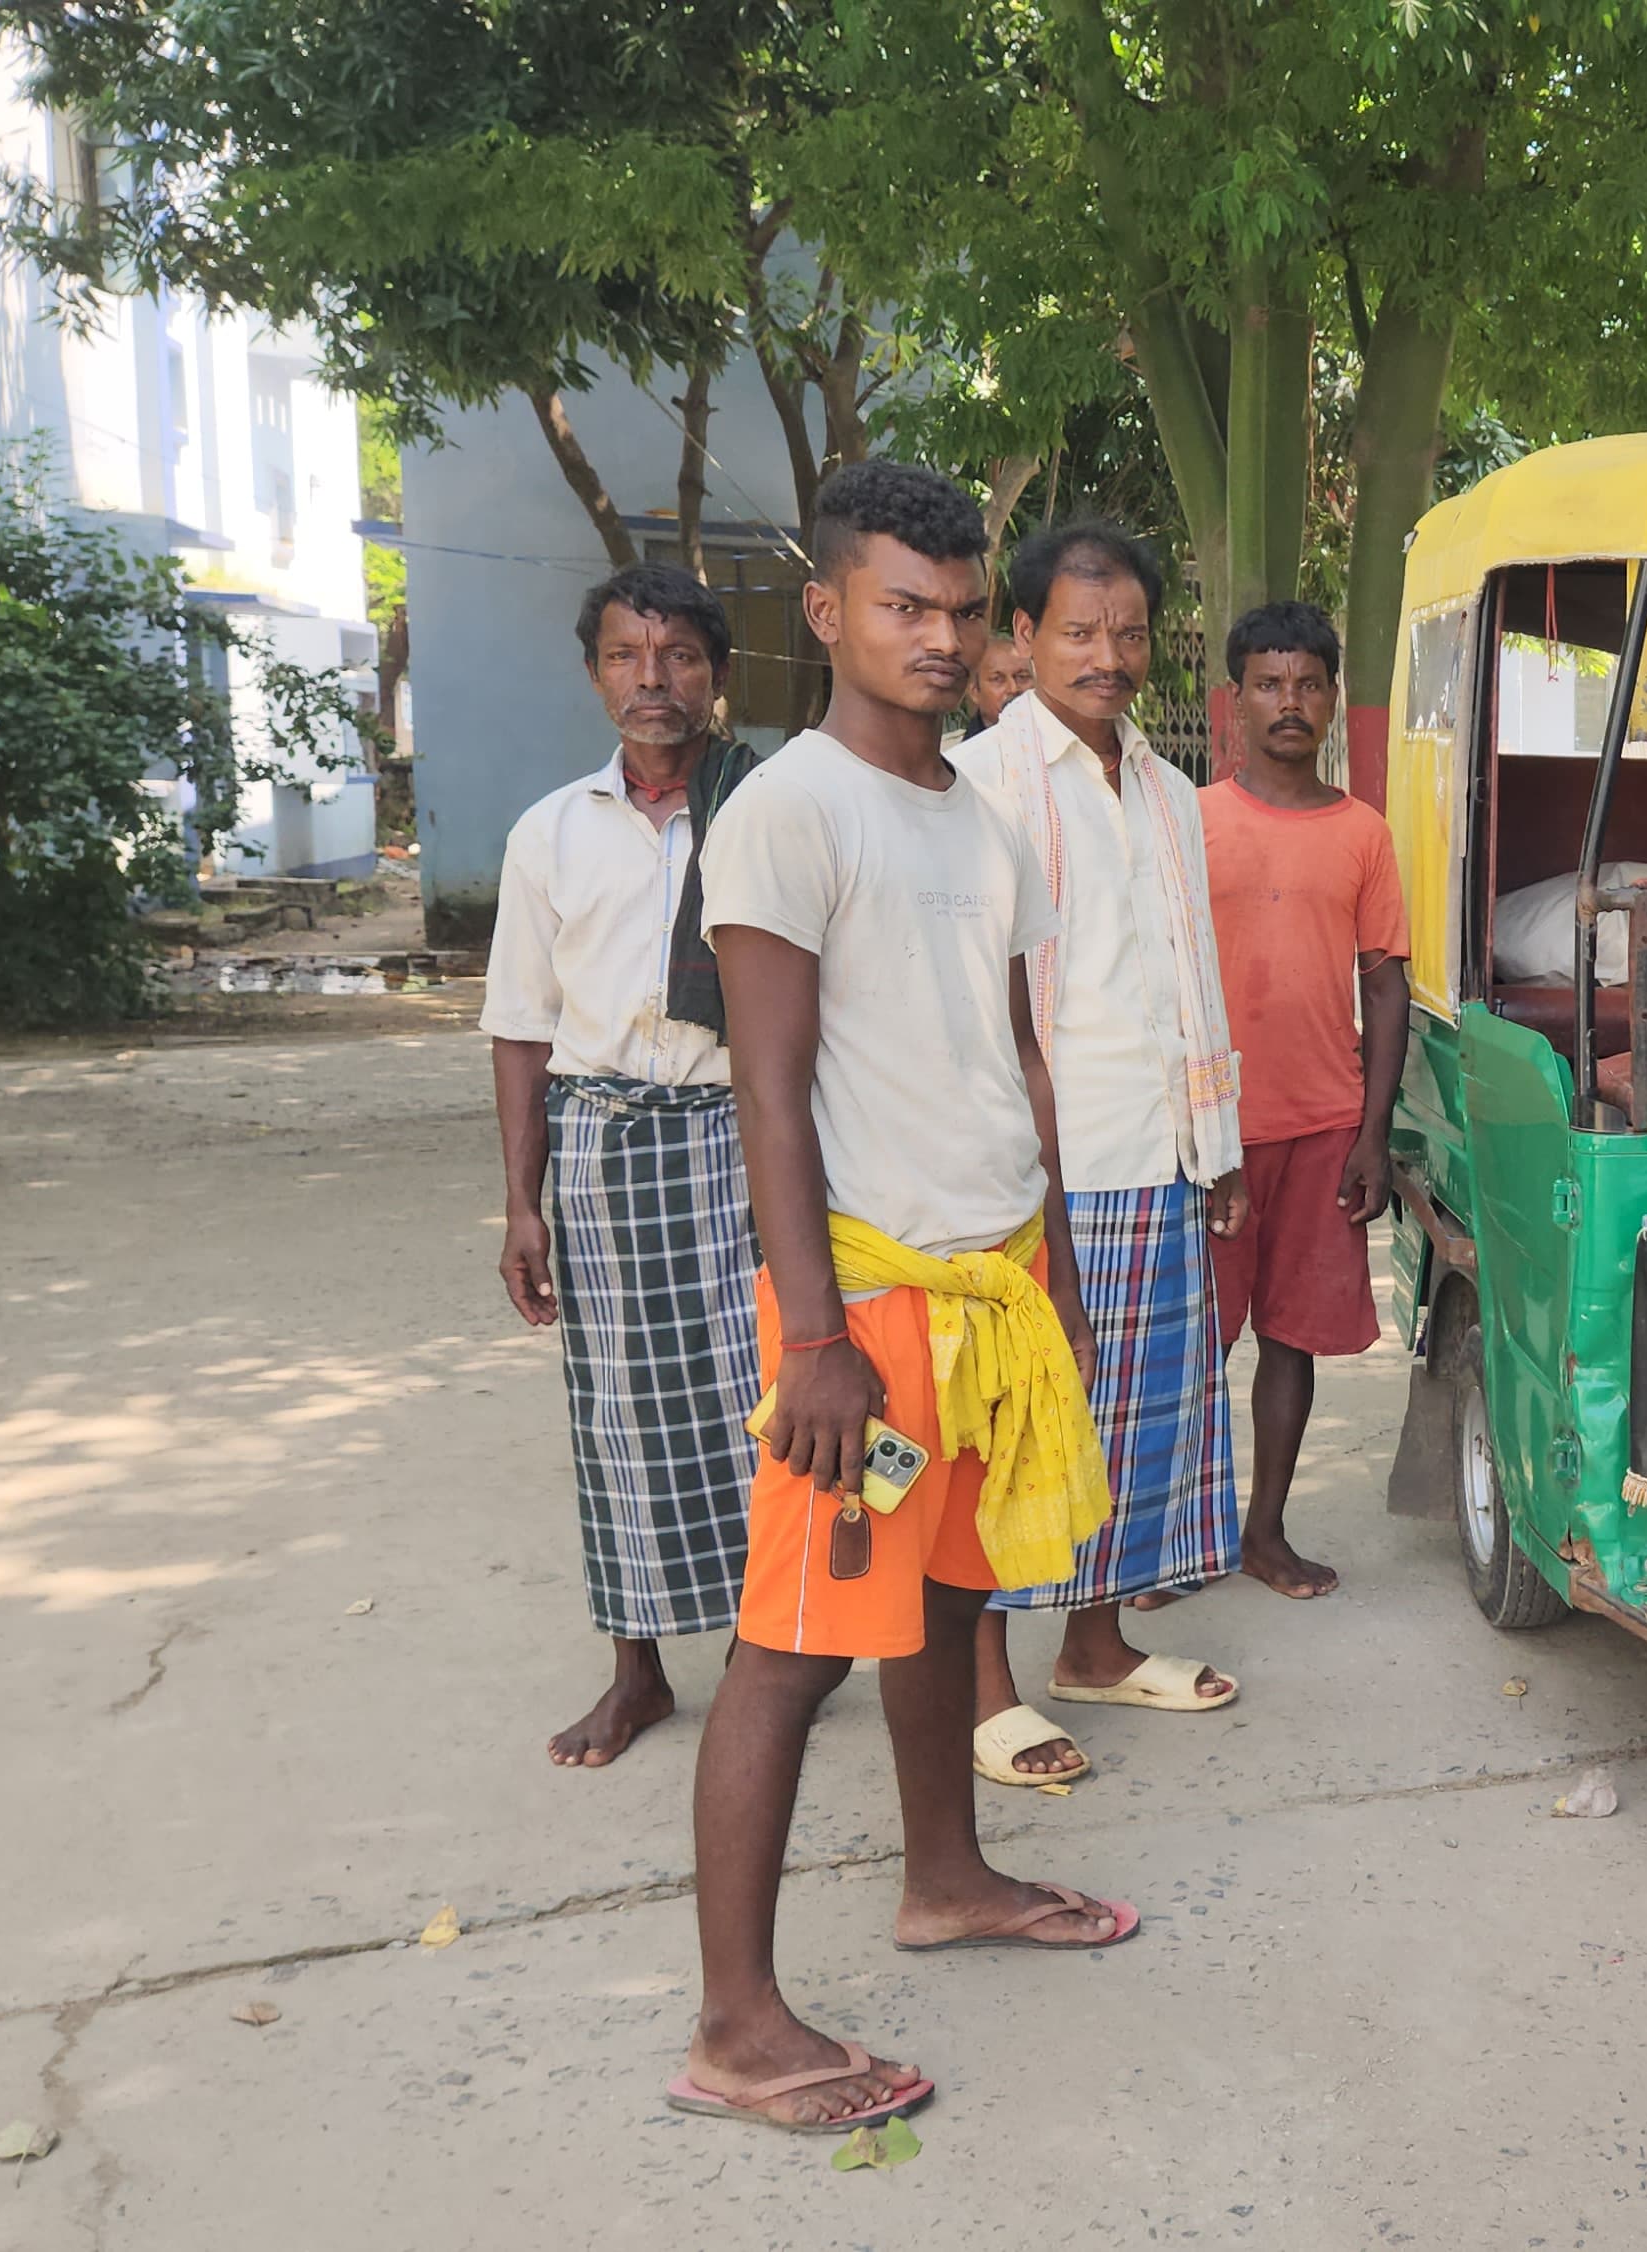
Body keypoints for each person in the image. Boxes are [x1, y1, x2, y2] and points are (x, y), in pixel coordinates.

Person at [675, 459, 1136, 2136]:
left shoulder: (978, 815)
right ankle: (735, 2022)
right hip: (862, 1316)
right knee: (791, 1650)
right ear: (830, 614)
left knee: (950, 1604)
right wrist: (810, 1341)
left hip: (989, 1293)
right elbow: (770, 1098)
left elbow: (1019, 1060)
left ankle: (944, 1874)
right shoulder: (787, 810)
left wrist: (1060, 1271)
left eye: (959, 610)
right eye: (903, 608)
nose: (939, 639)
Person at [948, 520, 1249, 1784]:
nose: (1108, 655)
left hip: (1159, 1151)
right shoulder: (976, 783)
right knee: (1012, 1430)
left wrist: (1218, 1140)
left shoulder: (1169, 790)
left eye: (1129, 632)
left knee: (1132, 1426)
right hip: (1033, 1166)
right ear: (1022, 636)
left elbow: (1193, 975)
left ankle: (1096, 1644)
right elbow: (971, 1002)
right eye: (1079, 630)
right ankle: (981, 1688)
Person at [484, 563, 763, 1768]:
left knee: (772, 1398)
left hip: (745, 1137)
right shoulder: (548, 832)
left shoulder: (761, 812)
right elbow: (521, 1027)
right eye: (625, 657)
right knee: (619, 1416)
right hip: (602, 1148)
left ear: (716, 674)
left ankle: (781, 1648)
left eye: (679, 657)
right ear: (595, 671)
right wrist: (520, 1205)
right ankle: (637, 1670)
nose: (653, 682)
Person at [1201, 600, 1405, 1600]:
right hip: (1207, 1132)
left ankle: (1263, 1532)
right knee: (1186, 1347)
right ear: (1235, 699)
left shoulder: (1364, 835)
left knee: (1291, 1337)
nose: (1290, 701)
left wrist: (1374, 1131)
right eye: (1270, 683)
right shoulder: (1190, 822)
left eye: (1308, 683)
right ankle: (1170, 1542)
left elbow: (1387, 983)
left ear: (1330, 696)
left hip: (1323, 1125)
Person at [965, 633, 1031, 733]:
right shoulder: (963, 748)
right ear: (975, 692)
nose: (1013, 689)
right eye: (997, 679)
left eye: (1022, 677)